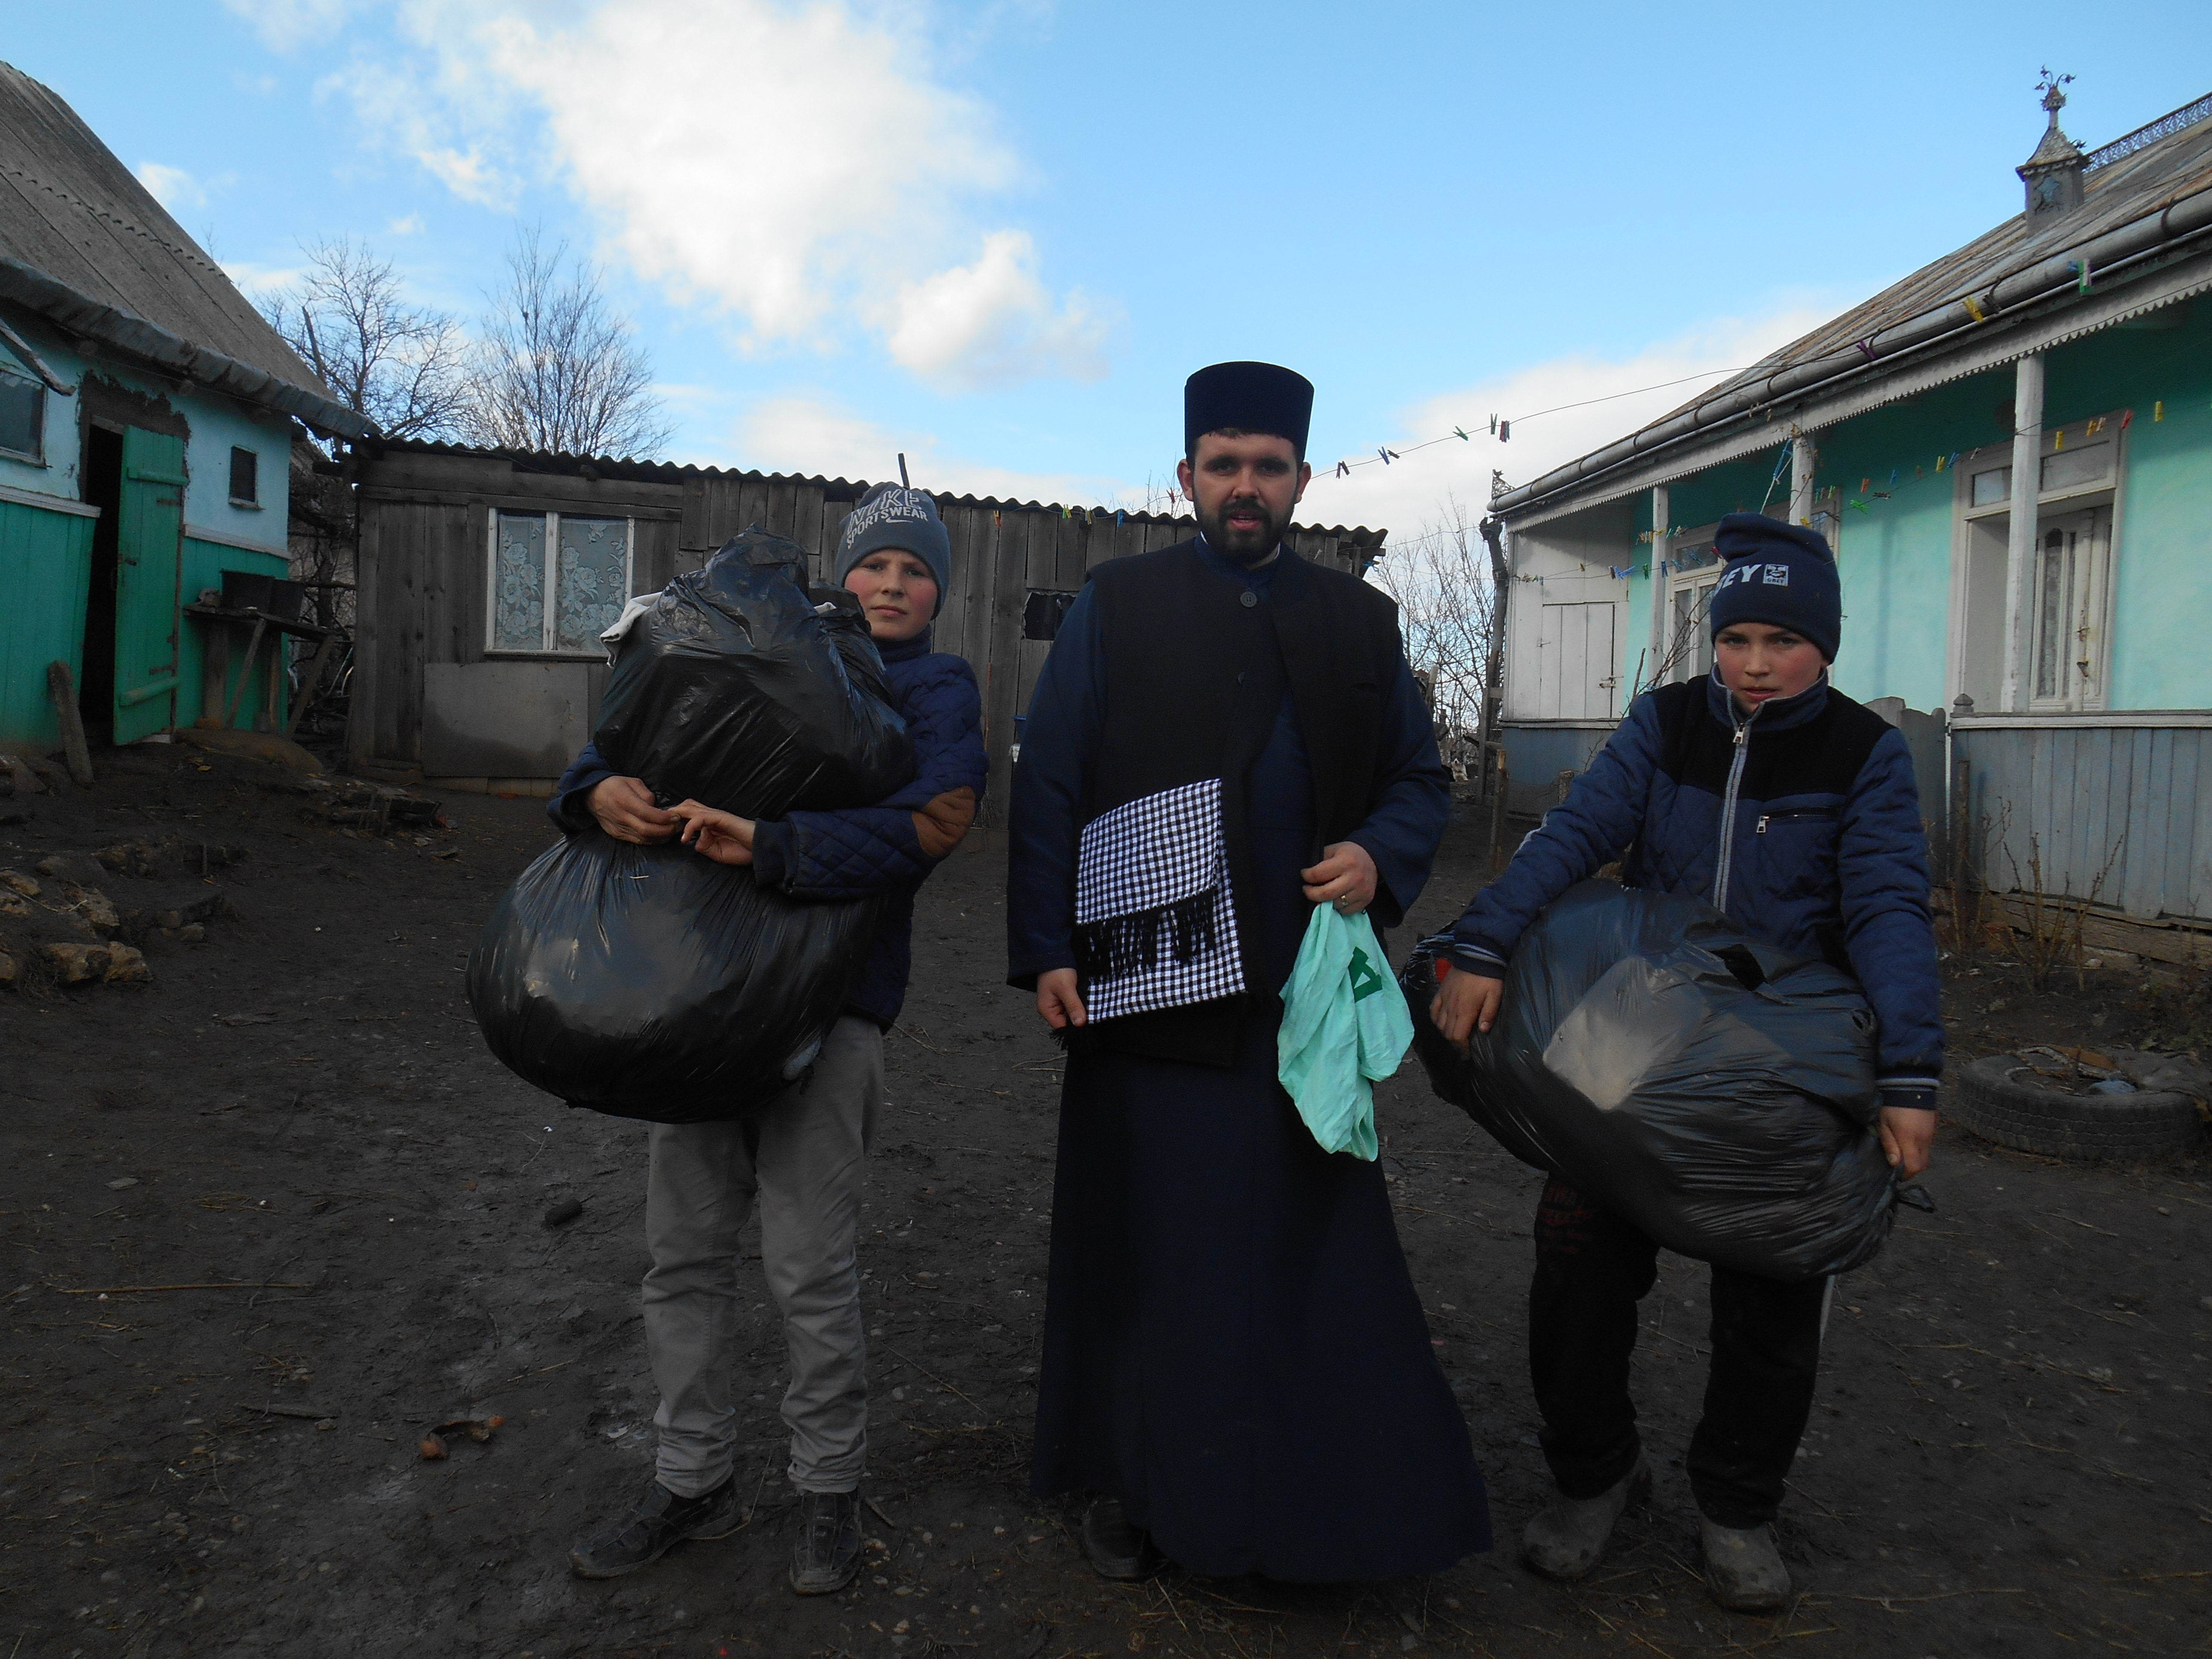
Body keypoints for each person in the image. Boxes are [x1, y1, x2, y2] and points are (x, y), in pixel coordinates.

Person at [1006, 361, 1491, 1583]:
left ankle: (1308, 1500)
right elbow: (1050, 782)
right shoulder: (1117, 604)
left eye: (1267, 467)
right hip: (1146, 1000)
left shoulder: (1361, 625)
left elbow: (1418, 784)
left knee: (1304, 1254)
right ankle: (1138, 1481)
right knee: (1150, 1248)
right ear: (1185, 477)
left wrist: (1381, 859)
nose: (1244, 486)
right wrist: (1045, 951)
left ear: (1302, 481)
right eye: (1222, 464)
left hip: (1296, 1008)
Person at [1430, 511, 1941, 1611]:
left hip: (1778, 1067)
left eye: (1781, 642)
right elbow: (1572, 834)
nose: (1754, 666)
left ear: (1825, 645)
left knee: (1771, 1296)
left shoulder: (1863, 755)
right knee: (1573, 1258)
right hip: (1636, 1042)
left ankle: (1737, 1505)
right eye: (1735, 639)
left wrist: (1907, 1078)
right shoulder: (1664, 726)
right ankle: (1594, 1474)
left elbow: (1892, 911)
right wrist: (1481, 941)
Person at [557, 484, 987, 1592]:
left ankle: (828, 1490)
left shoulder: (936, 690)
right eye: (874, 566)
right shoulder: (759, 653)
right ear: (841, 575)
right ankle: (692, 1478)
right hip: (692, 1004)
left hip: (826, 1013)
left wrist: (775, 844)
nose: (891, 585)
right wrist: (594, 790)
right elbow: (625, 733)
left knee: (807, 1266)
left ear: (940, 590)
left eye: (915, 570)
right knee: (684, 1257)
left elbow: (927, 830)